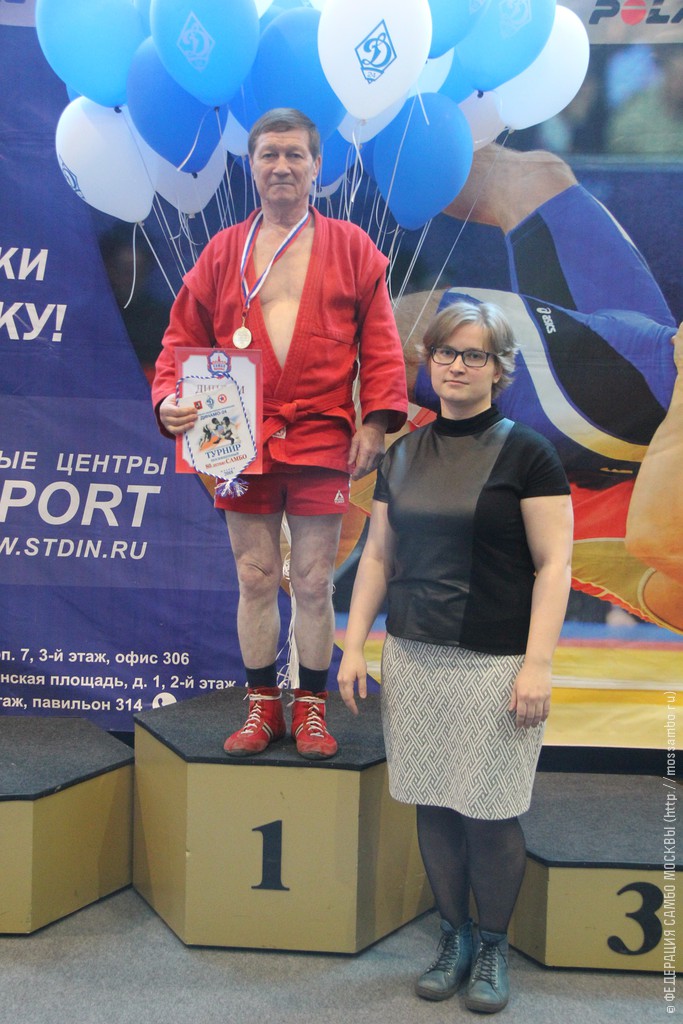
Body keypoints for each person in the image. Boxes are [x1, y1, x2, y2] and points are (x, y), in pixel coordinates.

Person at [338, 299, 573, 1013]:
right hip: (413, 657)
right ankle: (454, 938)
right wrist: (353, 646)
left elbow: (555, 565)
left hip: (497, 663)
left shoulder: (528, 452)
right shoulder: (401, 453)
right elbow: (377, 557)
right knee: (434, 805)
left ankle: (493, 947)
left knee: (490, 812)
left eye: (475, 355)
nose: (457, 366)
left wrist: (537, 664)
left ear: (499, 370)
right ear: (429, 361)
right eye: (445, 352)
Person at [152, 108, 408, 759]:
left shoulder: (353, 247)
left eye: (295, 154)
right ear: (252, 166)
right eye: (269, 154)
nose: (282, 166)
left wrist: (376, 420)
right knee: (256, 575)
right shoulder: (223, 251)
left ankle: (312, 711)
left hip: (323, 432)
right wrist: (169, 399)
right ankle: (263, 707)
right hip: (238, 433)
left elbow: (381, 345)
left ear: (317, 166)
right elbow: (179, 339)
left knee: (315, 579)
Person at [396, 143, 683, 632]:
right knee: (535, 177)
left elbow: (657, 538)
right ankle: (380, 125)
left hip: (621, 423)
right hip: (630, 399)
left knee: (403, 343)